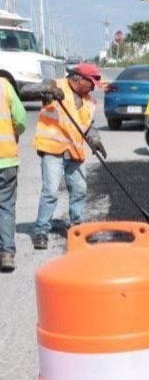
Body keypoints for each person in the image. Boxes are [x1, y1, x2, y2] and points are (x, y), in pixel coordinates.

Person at [22, 63, 105, 250]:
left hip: (74, 151)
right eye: (90, 83)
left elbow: (88, 125)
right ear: (79, 78)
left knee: (80, 189)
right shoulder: (55, 85)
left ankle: (77, 226)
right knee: (50, 192)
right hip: (52, 148)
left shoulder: (90, 101)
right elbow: (25, 91)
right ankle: (41, 230)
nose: (92, 88)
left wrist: (96, 140)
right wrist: (46, 89)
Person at [0, 76, 27, 272]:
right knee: (5, 206)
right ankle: (7, 254)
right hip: (5, 157)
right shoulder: (4, 85)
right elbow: (21, 120)